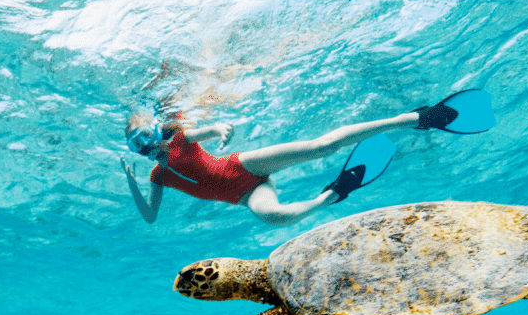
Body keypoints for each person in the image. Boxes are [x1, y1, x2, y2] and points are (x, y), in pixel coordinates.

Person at [122, 90, 494, 226]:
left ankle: (415, 118)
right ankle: (331, 194)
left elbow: (215, 128)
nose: (146, 146)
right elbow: (150, 217)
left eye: (146, 136)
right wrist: (132, 184)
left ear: (157, 131)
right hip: (245, 195)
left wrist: (222, 131)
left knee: (322, 147)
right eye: (138, 145)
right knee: (273, 217)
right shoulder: (156, 177)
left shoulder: (183, 140)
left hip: (244, 165)